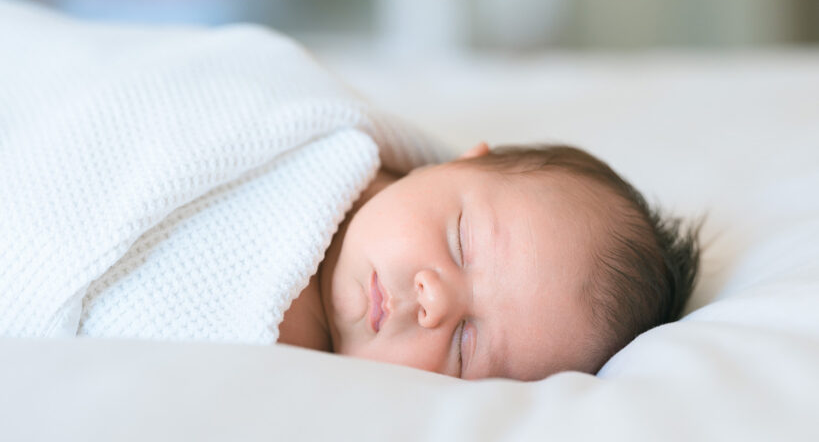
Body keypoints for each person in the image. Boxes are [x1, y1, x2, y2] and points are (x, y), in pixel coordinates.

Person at [278, 141, 701, 380]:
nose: (434, 302)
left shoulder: (286, 366)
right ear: (456, 163)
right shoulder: (318, 137)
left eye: (465, 345)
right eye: (460, 242)